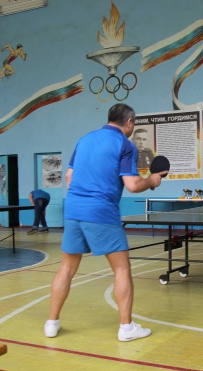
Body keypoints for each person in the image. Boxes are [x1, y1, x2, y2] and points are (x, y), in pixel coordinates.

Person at [44, 103, 168, 342]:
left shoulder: (84, 140)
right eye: (133, 123)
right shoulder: (125, 144)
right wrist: (152, 180)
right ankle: (127, 328)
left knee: (67, 268)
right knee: (121, 268)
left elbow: (69, 177)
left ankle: (51, 323)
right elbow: (133, 185)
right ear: (129, 122)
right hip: (101, 211)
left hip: (73, 208)